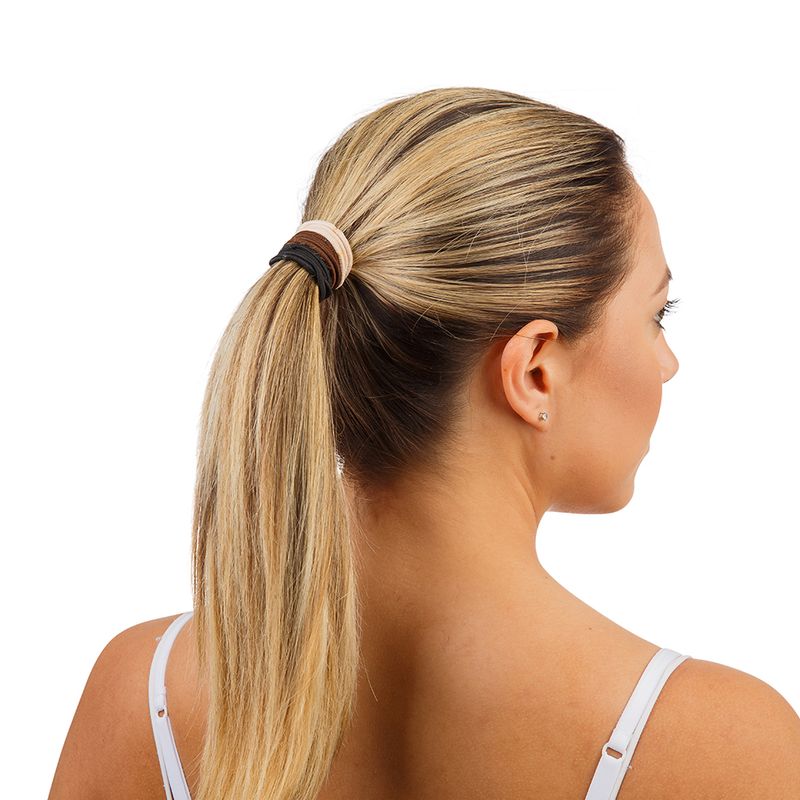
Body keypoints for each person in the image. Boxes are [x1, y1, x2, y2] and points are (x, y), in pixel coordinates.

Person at [49, 86, 800, 800]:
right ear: (534, 372)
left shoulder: (142, 698)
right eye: (657, 315)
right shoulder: (722, 747)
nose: (668, 364)